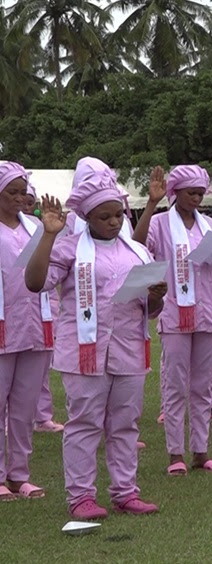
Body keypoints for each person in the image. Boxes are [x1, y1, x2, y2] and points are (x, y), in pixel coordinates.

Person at [26, 171, 168, 518]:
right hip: (83, 352)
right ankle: (81, 496)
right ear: (87, 217)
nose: (114, 222)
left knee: (124, 424)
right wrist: (48, 234)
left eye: (119, 214)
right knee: (85, 423)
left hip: (128, 350)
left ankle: (125, 490)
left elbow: (150, 311)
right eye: (104, 217)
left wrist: (156, 297)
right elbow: (34, 282)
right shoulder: (70, 248)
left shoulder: (137, 251)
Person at [132, 165, 212, 476]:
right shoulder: (161, 223)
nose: (197, 198)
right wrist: (151, 204)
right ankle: (175, 453)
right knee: (176, 385)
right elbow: (135, 246)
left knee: (202, 386)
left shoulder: (208, 227)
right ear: (176, 193)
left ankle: (201, 451)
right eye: (191, 192)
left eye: (201, 193)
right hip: (174, 311)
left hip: (205, 311)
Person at [0, 163, 52, 501]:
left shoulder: (36, 227)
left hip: (34, 325)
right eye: (12, 193)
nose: (20, 198)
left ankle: (19, 474)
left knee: (24, 406)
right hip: (4, 326)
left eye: (23, 192)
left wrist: (50, 233)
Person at [27, 180, 65, 435]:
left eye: (30, 201)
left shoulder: (39, 227)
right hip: (12, 309)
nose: (24, 204)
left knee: (40, 366)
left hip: (43, 305)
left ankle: (42, 415)